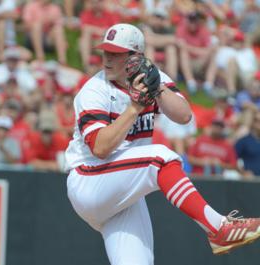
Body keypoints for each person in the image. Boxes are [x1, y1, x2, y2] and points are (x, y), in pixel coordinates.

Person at [65, 23, 260, 265]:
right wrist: (135, 107)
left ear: (136, 57)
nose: (107, 58)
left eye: (116, 53)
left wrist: (157, 88)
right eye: (105, 51)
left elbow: (184, 116)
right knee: (161, 157)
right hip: (91, 180)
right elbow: (101, 148)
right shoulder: (94, 90)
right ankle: (218, 228)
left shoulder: (153, 78)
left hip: (124, 192)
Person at [235, 109, 260, 178]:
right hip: (250, 182)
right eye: (257, 120)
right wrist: (243, 172)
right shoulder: (243, 141)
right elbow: (233, 160)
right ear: (253, 122)